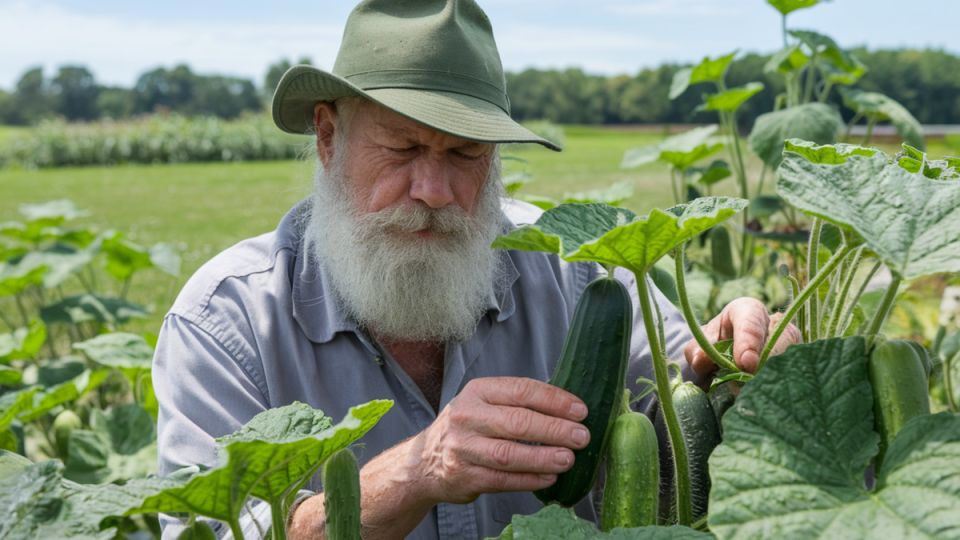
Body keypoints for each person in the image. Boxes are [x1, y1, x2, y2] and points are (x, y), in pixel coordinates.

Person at [152, 1, 799, 538]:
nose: (433, 190)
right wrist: (415, 472)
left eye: (464, 154)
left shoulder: (576, 269)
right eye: (401, 148)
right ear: (328, 136)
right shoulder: (226, 324)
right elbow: (207, 529)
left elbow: (673, 411)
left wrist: (730, 366)